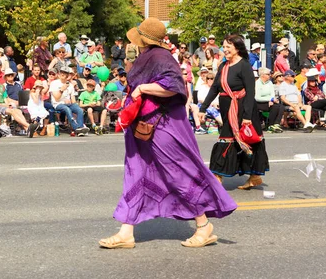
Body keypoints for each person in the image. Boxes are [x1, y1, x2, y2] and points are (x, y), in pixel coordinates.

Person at [99, 18, 236, 250]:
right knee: (137, 174)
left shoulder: (161, 57)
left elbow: (173, 86)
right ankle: (126, 231)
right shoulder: (149, 56)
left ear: (143, 40)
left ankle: (204, 226)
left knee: (179, 173)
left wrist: (142, 88)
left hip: (163, 126)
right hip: (145, 125)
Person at [199, 34, 271, 189]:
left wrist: (246, 117)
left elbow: (250, 92)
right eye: (223, 47)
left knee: (245, 141)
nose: (225, 50)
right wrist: (203, 108)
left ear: (237, 48)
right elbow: (215, 89)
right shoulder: (223, 67)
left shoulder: (244, 65)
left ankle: (223, 175)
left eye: (228, 47)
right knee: (230, 141)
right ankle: (230, 175)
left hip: (243, 109)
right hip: (228, 110)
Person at [50, 66, 89, 136]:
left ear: (67, 75)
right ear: (59, 73)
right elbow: (56, 98)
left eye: (64, 73)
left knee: (79, 110)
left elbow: (73, 99)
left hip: (68, 104)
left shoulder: (70, 85)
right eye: (61, 72)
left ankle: (80, 127)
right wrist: (62, 90)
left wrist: (73, 105)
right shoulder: (54, 83)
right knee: (67, 109)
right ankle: (76, 127)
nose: (62, 74)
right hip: (58, 104)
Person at [254, 67, 284, 133]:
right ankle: (270, 125)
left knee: (280, 106)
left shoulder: (269, 83)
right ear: (263, 75)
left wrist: (272, 99)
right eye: (268, 74)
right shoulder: (257, 84)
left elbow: (272, 94)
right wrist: (269, 99)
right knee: (275, 107)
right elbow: (257, 97)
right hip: (259, 102)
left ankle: (276, 124)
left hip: (270, 101)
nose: (270, 75)